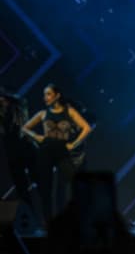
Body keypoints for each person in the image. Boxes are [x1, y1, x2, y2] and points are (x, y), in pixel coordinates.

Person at [20, 84, 92, 224]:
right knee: (46, 190)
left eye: (48, 94)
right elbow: (24, 128)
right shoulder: (43, 113)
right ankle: (49, 224)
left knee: (73, 182)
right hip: (45, 151)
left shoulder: (69, 111)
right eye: (44, 94)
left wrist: (73, 144)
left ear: (57, 95)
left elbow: (86, 128)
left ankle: (74, 218)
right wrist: (37, 136)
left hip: (62, 151)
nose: (45, 97)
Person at [0, 88, 34, 208]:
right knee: (22, 188)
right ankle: (29, 211)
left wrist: (6, 98)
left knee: (39, 180)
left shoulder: (16, 105)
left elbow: (22, 102)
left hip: (26, 147)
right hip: (13, 153)